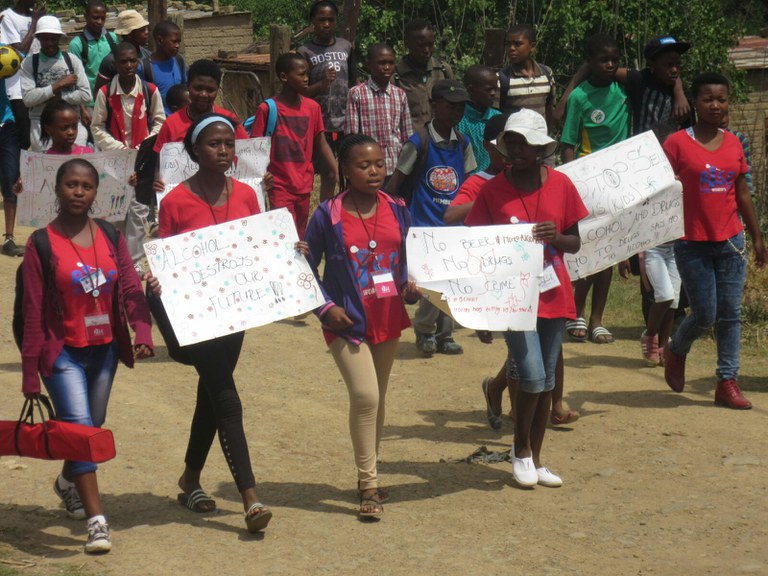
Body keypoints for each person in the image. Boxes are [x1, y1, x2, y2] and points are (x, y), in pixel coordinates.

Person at [21, 157, 153, 553]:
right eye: (71, 185)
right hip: (61, 353)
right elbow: (32, 312)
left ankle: (66, 483)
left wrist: (141, 330)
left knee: (91, 425)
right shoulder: (40, 243)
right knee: (79, 427)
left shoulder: (111, 238)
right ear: (58, 190)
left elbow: (129, 286)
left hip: (104, 350)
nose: (79, 192)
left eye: (87, 186)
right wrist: (30, 374)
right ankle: (98, 522)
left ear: (97, 193)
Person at [149, 113, 273, 532]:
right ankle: (250, 499)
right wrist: (156, 276)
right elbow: (167, 259)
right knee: (226, 396)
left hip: (235, 313)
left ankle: (189, 480)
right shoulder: (176, 202)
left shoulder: (246, 196)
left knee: (210, 393)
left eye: (229, 144)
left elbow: (257, 249)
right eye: (214, 144)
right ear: (194, 151)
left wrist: (287, 251)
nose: (224, 151)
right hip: (196, 318)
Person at [466, 109, 588, 487]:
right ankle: (519, 451)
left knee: (548, 379)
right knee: (532, 375)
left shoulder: (562, 185)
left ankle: (535, 460)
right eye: (511, 143)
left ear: (540, 148)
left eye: (524, 143)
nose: (516, 150)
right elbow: (476, 248)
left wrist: (555, 237)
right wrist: (482, 310)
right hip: (511, 297)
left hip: (552, 292)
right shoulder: (491, 190)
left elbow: (575, 241)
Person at [303, 134, 420, 518]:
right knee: (366, 396)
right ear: (345, 170)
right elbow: (305, 268)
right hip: (346, 321)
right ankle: (368, 483)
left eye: (379, 164)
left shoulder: (398, 207)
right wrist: (325, 309)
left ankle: (369, 470)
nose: (374, 171)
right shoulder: (327, 214)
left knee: (378, 399)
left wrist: (411, 284)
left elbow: (410, 255)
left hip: (387, 316)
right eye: (363, 165)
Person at [662, 72, 766, 409]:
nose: (716, 105)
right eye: (708, 99)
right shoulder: (676, 143)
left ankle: (727, 382)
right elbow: (659, 192)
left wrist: (758, 238)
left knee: (730, 314)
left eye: (722, 99)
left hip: (731, 240)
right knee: (705, 314)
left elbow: (743, 193)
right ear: (695, 102)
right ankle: (676, 349)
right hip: (691, 241)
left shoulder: (735, 142)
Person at [386, 79, 476, 356]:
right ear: (434, 106)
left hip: (454, 226)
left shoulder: (462, 143)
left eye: (461, 108)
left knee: (452, 282)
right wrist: (384, 213)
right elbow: (397, 180)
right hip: (424, 227)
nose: (456, 113)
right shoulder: (419, 142)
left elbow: (471, 181)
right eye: (451, 107)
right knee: (431, 283)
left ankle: (445, 333)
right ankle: (425, 331)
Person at [561, 33, 629, 345]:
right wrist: (573, 182)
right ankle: (577, 311)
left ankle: (598, 320)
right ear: (590, 63)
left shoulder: (624, 90)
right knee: (588, 250)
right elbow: (568, 143)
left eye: (615, 58)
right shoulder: (579, 97)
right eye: (604, 59)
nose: (611, 64)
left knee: (610, 252)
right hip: (588, 182)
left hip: (620, 180)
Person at [250, 52, 337, 238]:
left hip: (304, 184)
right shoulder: (267, 109)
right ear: (284, 77)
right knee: (283, 234)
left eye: (308, 74)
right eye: (301, 74)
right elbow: (256, 148)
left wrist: (336, 170)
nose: (306, 79)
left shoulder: (312, 107)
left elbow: (321, 142)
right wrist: (261, 178)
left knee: (300, 233)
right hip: (279, 184)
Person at [297, 0, 350, 201]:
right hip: (319, 123)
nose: (326, 24)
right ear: (313, 22)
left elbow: (353, 82)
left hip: (346, 121)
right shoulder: (305, 52)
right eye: (321, 20)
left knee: (349, 172)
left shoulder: (346, 46)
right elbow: (300, 93)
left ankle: (347, 212)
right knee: (328, 173)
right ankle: (325, 213)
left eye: (330, 20)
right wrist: (322, 84)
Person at [20, 15, 91, 151]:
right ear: (39, 39)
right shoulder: (29, 63)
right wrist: (58, 85)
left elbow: (86, 95)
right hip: (41, 126)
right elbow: (28, 99)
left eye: (53, 38)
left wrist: (62, 98)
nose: (50, 43)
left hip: (72, 126)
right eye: (45, 39)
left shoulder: (72, 60)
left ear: (59, 38)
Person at [345, 42, 413, 184]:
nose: (387, 67)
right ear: (368, 64)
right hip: (368, 168)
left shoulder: (400, 94)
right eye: (382, 63)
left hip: (395, 166)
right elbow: (352, 136)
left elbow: (407, 136)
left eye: (390, 63)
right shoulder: (357, 93)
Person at [91, 41, 165, 151]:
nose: (129, 66)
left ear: (138, 62)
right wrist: (118, 147)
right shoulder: (105, 93)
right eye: (123, 62)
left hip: (143, 154)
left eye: (133, 61)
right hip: (114, 156)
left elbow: (160, 122)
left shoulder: (150, 90)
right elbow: (97, 127)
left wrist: (145, 145)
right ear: (115, 65)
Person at [394, 18, 453, 128]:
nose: (426, 50)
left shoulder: (444, 70)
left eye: (430, 45)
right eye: (421, 45)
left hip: (441, 140)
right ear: (407, 44)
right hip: (411, 141)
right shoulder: (396, 76)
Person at [0, 0, 42, 150]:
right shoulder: (7, 17)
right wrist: (35, 22)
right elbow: (19, 53)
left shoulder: (38, 15)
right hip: (18, 90)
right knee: (25, 140)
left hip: (39, 86)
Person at [498, 24, 555, 128]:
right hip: (515, 140)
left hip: (540, 137)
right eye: (508, 44)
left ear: (532, 47)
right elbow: (496, 114)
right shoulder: (502, 78)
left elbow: (549, 108)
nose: (511, 49)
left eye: (517, 44)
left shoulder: (547, 73)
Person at [68, 0, 118, 117]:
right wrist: (83, 108)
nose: (99, 22)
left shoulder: (112, 39)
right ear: (86, 17)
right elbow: (75, 78)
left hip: (112, 98)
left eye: (102, 18)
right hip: (90, 102)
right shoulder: (77, 44)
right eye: (95, 18)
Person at [456, 64, 501, 175]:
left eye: (495, 89)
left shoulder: (498, 119)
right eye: (488, 90)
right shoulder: (457, 119)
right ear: (471, 90)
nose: (493, 93)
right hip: (466, 182)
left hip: (494, 181)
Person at [94, 10, 151, 94]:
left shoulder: (147, 55)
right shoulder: (110, 60)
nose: (146, 33)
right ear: (129, 34)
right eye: (142, 30)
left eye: (146, 29)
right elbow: (99, 93)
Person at [141, 20, 187, 116]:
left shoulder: (179, 61)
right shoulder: (145, 67)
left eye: (179, 42)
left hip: (179, 121)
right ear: (159, 40)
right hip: (157, 124)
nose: (177, 46)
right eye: (174, 41)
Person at [0, 72, 23, 257]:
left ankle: (9, 238)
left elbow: (19, 58)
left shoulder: (4, 55)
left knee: (10, 178)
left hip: (6, 125)